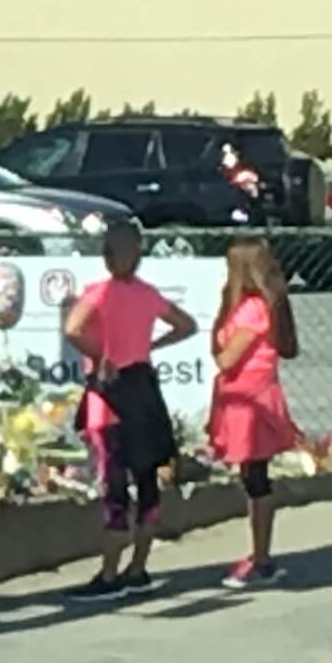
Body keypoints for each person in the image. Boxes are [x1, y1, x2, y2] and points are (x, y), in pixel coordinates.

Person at [63, 220, 200, 603]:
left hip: (109, 395)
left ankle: (109, 574)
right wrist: (155, 343)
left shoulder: (99, 293)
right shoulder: (147, 294)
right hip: (143, 386)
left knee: (115, 485)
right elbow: (186, 325)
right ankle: (137, 568)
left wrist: (99, 356)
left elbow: (73, 329)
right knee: (147, 480)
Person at [208, 237, 303, 588]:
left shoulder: (251, 309)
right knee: (253, 476)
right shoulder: (262, 305)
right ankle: (259, 553)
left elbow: (227, 358)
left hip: (250, 402)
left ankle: (261, 558)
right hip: (248, 398)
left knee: (256, 479)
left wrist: (219, 350)